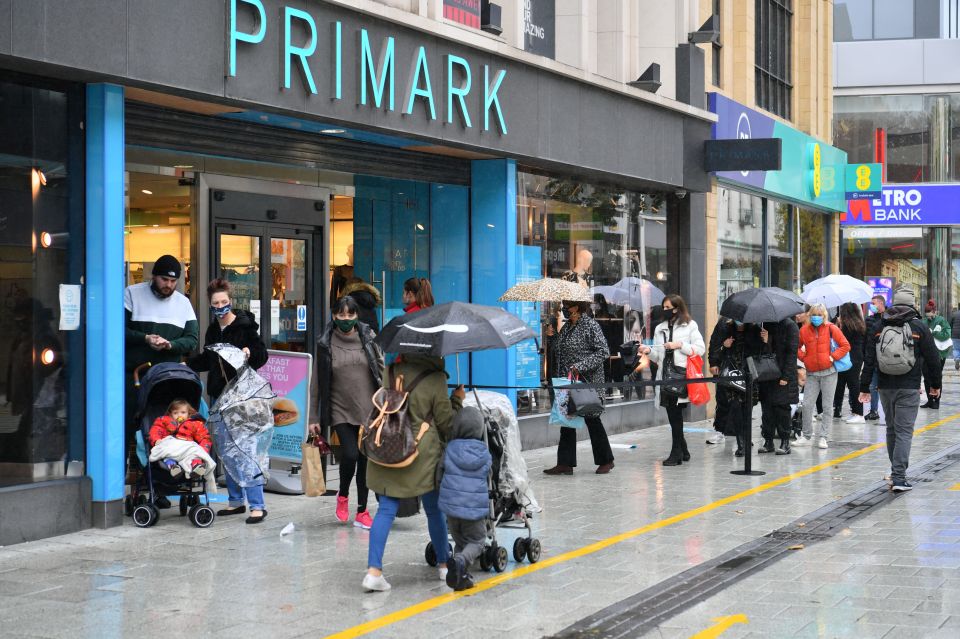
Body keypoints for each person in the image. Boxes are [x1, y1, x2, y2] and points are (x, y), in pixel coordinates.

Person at [363, 355, 464, 592]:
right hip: (419, 453)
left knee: (386, 509)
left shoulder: (391, 370)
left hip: (387, 448)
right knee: (433, 508)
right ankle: (443, 565)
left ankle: (373, 571)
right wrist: (457, 400)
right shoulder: (436, 378)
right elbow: (447, 424)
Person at [187, 278, 269, 523]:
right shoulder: (213, 330)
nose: (220, 306)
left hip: (242, 398)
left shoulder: (245, 326)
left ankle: (257, 505)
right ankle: (235, 501)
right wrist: (187, 364)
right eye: (216, 303)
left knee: (245, 449)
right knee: (226, 449)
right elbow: (208, 359)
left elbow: (261, 355)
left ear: (230, 301)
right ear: (210, 305)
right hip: (219, 396)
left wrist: (248, 353)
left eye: (224, 302)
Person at [125, 255, 199, 504]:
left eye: (173, 281)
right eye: (164, 279)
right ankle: (139, 484)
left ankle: (162, 483)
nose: (168, 285)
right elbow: (118, 330)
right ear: (153, 276)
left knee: (168, 433)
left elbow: (192, 339)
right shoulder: (132, 294)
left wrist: (171, 344)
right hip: (136, 375)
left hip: (168, 380)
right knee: (137, 433)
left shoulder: (183, 303)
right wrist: (145, 338)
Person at [859, 287, 941, 492]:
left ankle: (895, 472)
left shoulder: (879, 326)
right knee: (904, 431)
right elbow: (933, 359)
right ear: (913, 305)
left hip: (885, 387)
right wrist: (935, 386)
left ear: (893, 304)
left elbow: (868, 359)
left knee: (891, 429)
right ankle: (899, 477)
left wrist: (864, 386)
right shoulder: (920, 327)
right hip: (909, 386)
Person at [312, 295, 383, 530]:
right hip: (339, 408)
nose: (345, 319)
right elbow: (316, 384)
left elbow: (381, 371)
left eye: (350, 314)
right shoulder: (325, 342)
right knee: (350, 454)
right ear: (334, 315)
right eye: (341, 314)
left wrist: (388, 403)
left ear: (356, 315)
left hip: (368, 408)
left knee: (364, 460)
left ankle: (362, 511)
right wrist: (314, 417)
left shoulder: (368, 337)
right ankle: (343, 495)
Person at [543, 300, 615, 475]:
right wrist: (552, 337)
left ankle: (606, 460)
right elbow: (560, 350)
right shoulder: (567, 327)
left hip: (587, 381)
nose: (564, 309)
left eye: (568, 306)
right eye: (563, 306)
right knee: (567, 420)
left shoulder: (590, 325)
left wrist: (581, 366)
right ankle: (565, 463)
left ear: (578, 307)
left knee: (592, 419)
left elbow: (603, 351)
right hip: (568, 381)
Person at [640, 295, 705, 465]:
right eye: (664, 307)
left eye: (668, 307)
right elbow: (657, 356)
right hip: (664, 376)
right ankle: (683, 450)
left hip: (680, 376)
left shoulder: (689, 325)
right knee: (672, 415)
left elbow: (700, 349)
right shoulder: (660, 328)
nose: (665, 310)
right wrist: (648, 351)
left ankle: (676, 453)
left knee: (675, 415)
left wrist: (679, 345)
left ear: (677, 308)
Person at [438, 407, 492, 592]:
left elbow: (439, 475)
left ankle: (461, 577)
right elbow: (490, 476)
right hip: (473, 509)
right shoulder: (484, 453)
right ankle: (460, 562)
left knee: (461, 541)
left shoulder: (450, 449)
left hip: (451, 510)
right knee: (477, 541)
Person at [796, 304, 850, 450]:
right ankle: (806, 435)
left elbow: (845, 345)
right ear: (810, 315)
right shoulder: (804, 330)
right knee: (807, 405)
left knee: (827, 406)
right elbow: (797, 346)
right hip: (812, 373)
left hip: (829, 373)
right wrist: (804, 357)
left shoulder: (832, 328)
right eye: (814, 314)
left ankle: (823, 437)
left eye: (820, 315)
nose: (816, 317)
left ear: (824, 315)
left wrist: (833, 357)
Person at [710, 317, 764, 457]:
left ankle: (745, 440)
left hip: (749, 374)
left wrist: (765, 340)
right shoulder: (724, 326)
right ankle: (741, 445)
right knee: (735, 408)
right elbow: (714, 345)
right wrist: (723, 347)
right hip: (731, 375)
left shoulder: (755, 329)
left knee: (747, 410)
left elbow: (762, 353)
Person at [758, 318, 800, 455]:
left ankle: (785, 442)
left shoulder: (790, 326)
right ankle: (768, 441)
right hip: (767, 375)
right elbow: (761, 354)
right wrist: (765, 341)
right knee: (767, 410)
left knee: (782, 409)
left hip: (782, 375)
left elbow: (791, 354)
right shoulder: (765, 325)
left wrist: (786, 376)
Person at [148, 399, 212, 478]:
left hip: (186, 445)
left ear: (189, 413)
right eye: (175, 413)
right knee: (166, 453)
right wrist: (156, 440)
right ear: (170, 414)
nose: (179, 415)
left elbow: (205, 437)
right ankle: (173, 467)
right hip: (171, 444)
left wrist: (203, 449)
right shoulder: (164, 420)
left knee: (194, 453)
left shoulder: (194, 423)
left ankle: (197, 466)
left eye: (183, 412)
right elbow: (156, 430)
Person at [833, 303, 866, 423]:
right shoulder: (859, 323)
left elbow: (840, 340)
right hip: (857, 357)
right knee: (853, 384)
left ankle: (859, 413)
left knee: (853, 385)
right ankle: (855, 412)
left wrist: (838, 325)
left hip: (848, 357)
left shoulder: (847, 325)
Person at [706, 316, 733, 445]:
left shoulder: (751, 324)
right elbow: (714, 343)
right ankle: (719, 431)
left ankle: (742, 434)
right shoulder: (723, 323)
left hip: (743, 369)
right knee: (722, 400)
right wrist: (713, 363)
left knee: (742, 404)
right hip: (725, 367)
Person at [921, 300, 951, 409]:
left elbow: (947, 334)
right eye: (926, 314)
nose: (928, 317)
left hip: (939, 353)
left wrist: (934, 333)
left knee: (936, 376)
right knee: (926, 377)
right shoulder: (923, 321)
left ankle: (936, 400)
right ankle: (929, 400)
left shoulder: (941, 320)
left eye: (930, 314)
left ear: (934, 312)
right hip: (925, 354)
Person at [864, 294, 887, 420]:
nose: (871, 306)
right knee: (873, 386)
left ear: (881, 303)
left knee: (886, 387)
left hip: (886, 358)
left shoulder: (889, 318)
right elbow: (866, 340)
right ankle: (874, 410)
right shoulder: (869, 319)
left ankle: (888, 410)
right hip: (873, 358)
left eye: (874, 303)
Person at [330, 243, 355, 309]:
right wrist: (332, 308)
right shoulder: (339, 269)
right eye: (352, 253)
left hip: (359, 304)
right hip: (344, 304)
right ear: (348, 253)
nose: (354, 255)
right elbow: (333, 290)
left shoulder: (362, 269)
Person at [951, 302, 960, 371]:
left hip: (955, 334)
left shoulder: (954, 314)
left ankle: (957, 358)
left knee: (956, 348)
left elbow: (950, 324)